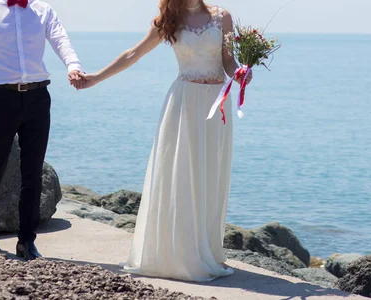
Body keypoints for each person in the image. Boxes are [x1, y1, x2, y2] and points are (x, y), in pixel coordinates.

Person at [75, 0, 252, 281]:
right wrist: (96, 78)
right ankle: (178, 255)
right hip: (184, 103)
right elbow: (133, 53)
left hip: (216, 104)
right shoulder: (168, 19)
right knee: (180, 175)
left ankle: (205, 249)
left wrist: (241, 73)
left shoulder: (223, 17)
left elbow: (228, 60)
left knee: (210, 175)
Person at [0, 0, 85, 260]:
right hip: (1, 98)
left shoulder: (43, 10)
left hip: (38, 98)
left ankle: (26, 241)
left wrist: (73, 66)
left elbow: (60, 39)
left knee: (33, 174)